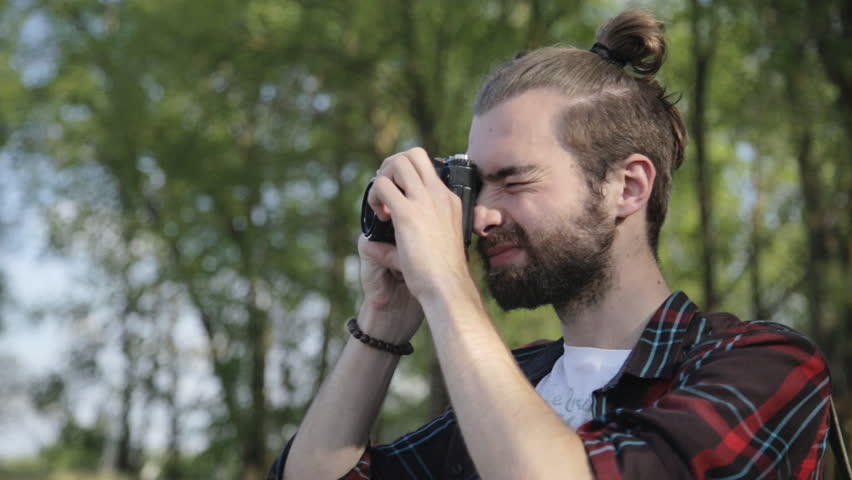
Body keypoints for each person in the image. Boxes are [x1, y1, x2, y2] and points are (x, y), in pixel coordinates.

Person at [269, 9, 832, 480]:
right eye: (478, 184)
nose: (483, 215)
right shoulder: (515, 379)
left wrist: (447, 286)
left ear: (627, 187)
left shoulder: (764, 364)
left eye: (515, 181)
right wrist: (386, 317)